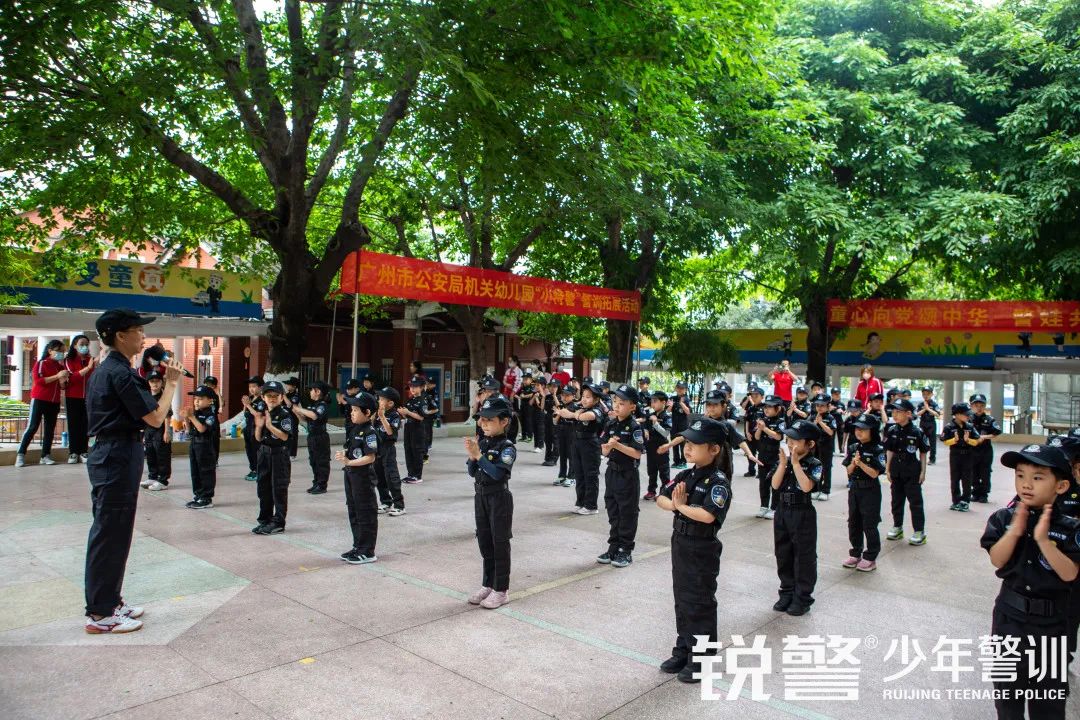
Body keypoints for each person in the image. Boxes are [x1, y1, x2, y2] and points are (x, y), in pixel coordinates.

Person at [84, 308, 183, 633]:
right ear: (120, 335)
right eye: (138, 330)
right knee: (110, 532)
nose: (143, 337)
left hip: (115, 451)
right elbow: (155, 418)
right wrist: (171, 384)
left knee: (115, 530)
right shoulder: (119, 373)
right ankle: (100, 614)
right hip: (116, 453)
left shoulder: (111, 368)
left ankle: (110, 600)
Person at [980, 444, 1079, 720]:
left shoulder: (1070, 528)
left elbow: (1070, 573)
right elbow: (997, 559)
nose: (1026, 484)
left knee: (1047, 705)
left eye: (1037, 477)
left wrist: (1044, 541)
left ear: (1060, 486)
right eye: (1020, 475)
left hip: (1051, 625)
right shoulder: (1003, 519)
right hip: (1008, 622)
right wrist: (1015, 532)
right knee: (1007, 701)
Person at [656, 417, 733, 684]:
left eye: (695, 444)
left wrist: (679, 506)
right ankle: (683, 648)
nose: (688, 449)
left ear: (713, 449)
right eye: (687, 443)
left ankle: (700, 657)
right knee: (683, 597)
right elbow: (661, 498)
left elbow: (708, 516)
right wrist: (677, 505)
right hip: (681, 541)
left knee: (699, 601)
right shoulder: (686, 475)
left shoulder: (718, 481)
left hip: (702, 545)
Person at [464, 395, 517, 609]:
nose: (484, 423)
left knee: (500, 543)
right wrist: (473, 455)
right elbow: (471, 472)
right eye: (482, 419)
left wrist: (480, 456)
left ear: (504, 421)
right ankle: (488, 583)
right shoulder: (483, 443)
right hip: (481, 497)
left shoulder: (507, 447)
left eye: (489, 419)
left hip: (499, 498)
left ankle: (501, 589)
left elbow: (497, 474)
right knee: (485, 541)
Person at [771, 419, 823, 616]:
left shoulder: (814, 463)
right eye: (788, 439)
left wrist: (795, 463)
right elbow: (775, 485)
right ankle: (786, 591)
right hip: (783, 510)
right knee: (783, 552)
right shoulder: (782, 462)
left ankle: (802, 597)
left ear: (809, 444)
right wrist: (784, 464)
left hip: (803, 512)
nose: (790, 444)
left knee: (804, 556)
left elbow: (807, 486)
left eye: (795, 440)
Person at [597, 384, 644, 568]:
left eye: (622, 403)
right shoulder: (610, 424)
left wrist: (617, 446)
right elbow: (604, 449)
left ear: (632, 406)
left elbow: (637, 453)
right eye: (614, 401)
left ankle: (625, 549)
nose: (616, 405)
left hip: (628, 474)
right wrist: (607, 448)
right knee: (613, 509)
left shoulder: (634, 427)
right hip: (612, 473)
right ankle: (613, 546)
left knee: (627, 512)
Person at [336, 391, 381, 565]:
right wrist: (345, 456)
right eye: (352, 409)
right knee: (354, 511)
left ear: (367, 413)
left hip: (363, 478)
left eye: (355, 410)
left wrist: (349, 461)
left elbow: (370, 457)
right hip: (351, 476)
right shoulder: (355, 428)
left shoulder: (369, 432)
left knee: (365, 513)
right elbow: (353, 452)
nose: (352, 413)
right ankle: (358, 546)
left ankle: (367, 551)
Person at [842, 413, 885, 572]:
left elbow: (875, 473)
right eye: (857, 429)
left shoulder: (878, 449)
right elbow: (848, 470)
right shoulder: (854, 447)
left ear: (872, 431)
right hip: (855, 488)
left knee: (869, 524)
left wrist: (860, 463)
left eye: (863, 429)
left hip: (870, 490)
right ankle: (855, 552)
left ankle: (870, 556)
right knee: (854, 522)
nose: (858, 432)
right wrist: (854, 464)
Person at [15, 339, 68, 467]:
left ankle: (45, 455)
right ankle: (20, 454)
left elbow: (62, 386)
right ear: (50, 350)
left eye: (63, 351)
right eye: (59, 351)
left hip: (54, 402)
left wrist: (63, 381)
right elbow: (39, 381)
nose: (61, 353)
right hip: (39, 399)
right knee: (32, 427)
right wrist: (57, 376)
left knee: (50, 430)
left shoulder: (60, 366)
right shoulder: (42, 363)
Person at [883, 399, 929, 546]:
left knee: (915, 502)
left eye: (898, 412)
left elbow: (923, 452)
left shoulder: (917, 432)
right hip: (896, 469)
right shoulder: (891, 430)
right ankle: (897, 527)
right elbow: (889, 450)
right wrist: (887, 468)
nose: (894, 415)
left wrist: (923, 472)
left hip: (912, 470)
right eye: (893, 412)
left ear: (908, 414)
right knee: (896, 501)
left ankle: (919, 531)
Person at [252, 380, 294, 534]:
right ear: (263, 397)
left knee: (279, 489)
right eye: (268, 395)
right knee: (263, 488)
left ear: (282, 397)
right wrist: (259, 426)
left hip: (278, 455)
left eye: (275, 396)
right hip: (264, 453)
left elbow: (284, 437)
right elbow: (257, 438)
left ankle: (278, 521)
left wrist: (270, 426)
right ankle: (265, 519)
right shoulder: (262, 414)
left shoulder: (284, 415)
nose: (272, 398)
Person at [566, 382, 604, 515]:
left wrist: (574, 415)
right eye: (583, 396)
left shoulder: (597, 409)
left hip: (590, 444)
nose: (584, 399)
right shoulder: (581, 408)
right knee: (579, 474)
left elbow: (591, 416)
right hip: (577, 442)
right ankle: (580, 502)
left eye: (588, 397)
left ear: (596, 399)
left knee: (590, 475)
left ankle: (591, 505)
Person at [180, 385, 218, 509]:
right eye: (195, 398)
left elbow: (202, 429)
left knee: (205, 471)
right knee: (195, 471)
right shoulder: (196, 413)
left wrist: (191, 417)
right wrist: (186, 418)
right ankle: (198, 495)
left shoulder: (210, 414)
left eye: (200, 399)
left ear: (210, 400)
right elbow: (189, 431)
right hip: (195, 444)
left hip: (205, 445)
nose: (196, 401)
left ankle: (206, 498)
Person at [293, 380, 332, 494]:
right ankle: (316, 482)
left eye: (311, 390)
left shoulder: (322, 405)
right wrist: (296, 412)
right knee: (313, 461)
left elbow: (315, 416)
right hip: (312, 436)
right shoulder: (314, 405)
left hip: (321, 437)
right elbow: (305, 419)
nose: (310, 392)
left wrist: (300, 409)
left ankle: (322, 485)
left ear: (318, 391)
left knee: (321, 461)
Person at [941, 402, 980, 512]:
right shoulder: (949, 427)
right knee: (955, 478)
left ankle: (965, 501)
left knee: (967, 479)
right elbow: (944, 441)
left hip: (968, 455)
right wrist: (954, 440)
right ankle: (956, 500)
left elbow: (977, 441)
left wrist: (969, 441)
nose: (968, 416)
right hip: (955, 455)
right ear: (957, 414)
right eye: (965, 414)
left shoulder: (970, 427)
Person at [63, 334, 96, 463]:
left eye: (86, 344)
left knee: (85, 424)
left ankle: (83, 451)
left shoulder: (90, 359)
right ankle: (73, 452)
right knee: (73, 424)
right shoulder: (69, 360)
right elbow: (73, 377)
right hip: (72, 396)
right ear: (75, 345)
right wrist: (88, 368)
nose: (84, 347)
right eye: (81, 344)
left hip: (88, 397)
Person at [753, 395, 786, 519]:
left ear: (777, 409)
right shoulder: (762, 420)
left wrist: (765, 428)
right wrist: (760, 428)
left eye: (770, 407)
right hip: (762, 455)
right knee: (763, 482)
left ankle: (774, 507)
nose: (766, 410)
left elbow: (778, 436)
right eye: (766, 407)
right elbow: (756, 437)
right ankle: (763, 506)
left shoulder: (780, 421)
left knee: (775, 482)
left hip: (775, 457)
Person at [375, 386, 405, 516]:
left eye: (381, 399)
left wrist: (382, 417)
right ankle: (386, 502)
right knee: (379, 476)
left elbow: (390, 431)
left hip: (388, 449)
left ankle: (399, 505)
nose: (379, 401)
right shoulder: (377, 413)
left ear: (390, 403)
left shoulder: (394, 415)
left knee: (391, 476)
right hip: (377, 448)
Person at [140, 371, 172, 491]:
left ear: (161, 382)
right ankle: (152, 476)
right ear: (148, 383)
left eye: (157, 381)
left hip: (161, 430)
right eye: (152, 381)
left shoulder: (164, 397)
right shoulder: (146, 396)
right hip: (149, 429)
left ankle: (163, 480)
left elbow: (168, 414)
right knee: (150, 453)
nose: (155, 384)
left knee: (162, 454)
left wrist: (167, 431)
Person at [970, 393, 1002, 503]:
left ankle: (984, 494)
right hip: (972, 450)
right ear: (972, 406)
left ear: (985, 406)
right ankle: (975, 492)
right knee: (973, 472)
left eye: (981, 405)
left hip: (985, 450)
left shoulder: (989, 420)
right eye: (976, 405)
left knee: (985, 472)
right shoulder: (968, 420)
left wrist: (984, 437)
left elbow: (997, 432)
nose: (979, 408)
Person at [642, 390, 672, 501]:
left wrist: (655, 423)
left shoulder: (667, 417)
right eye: (651, 401)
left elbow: (665, 433)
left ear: (663, 402)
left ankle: (665, 492)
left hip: (662, 448)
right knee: (651, 471)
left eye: (655, 401)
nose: (652, 404)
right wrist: (645, 430)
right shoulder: (651, 414)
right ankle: (651, 491)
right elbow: (645, 425)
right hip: (651, 447)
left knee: (664, 472)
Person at [400, 376, 429, 485]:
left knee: (416, 451)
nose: (412, 389)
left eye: (415, 386)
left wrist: (408, 413)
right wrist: (403, 413)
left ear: (421, 387)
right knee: (408, 450)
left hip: (418, 429)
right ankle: (410, 474)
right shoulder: (411, 400)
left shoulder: (423, 400)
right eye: (411, 386)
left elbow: (421, 417)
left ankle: (417, 475)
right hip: (409, 427)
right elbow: (408, 415)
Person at [809, 394, 836, 501]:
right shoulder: (812, 417)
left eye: (822, 405)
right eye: (817, 405)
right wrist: (814, 423)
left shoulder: (830, 418)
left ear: (828, 406)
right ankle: (816, 489)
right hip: (815, 446)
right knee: (816, 467)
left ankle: (825, 490)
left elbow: (830, 432)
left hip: (826, 447)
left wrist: (821, 423)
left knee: (826, 468)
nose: (819, 407)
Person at [240, 376, 265, 481]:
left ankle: (259, 470)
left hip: (257, 429)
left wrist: (248, 405)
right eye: (250, 386)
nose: (251, 389)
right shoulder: (251, 398)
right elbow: (245, 412)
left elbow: (258, 415)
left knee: (256, 450)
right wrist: (245, 405)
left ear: (260, 387)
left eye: (254, 386)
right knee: (249, 450)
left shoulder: (262, 400)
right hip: (248, 428)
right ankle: (253, 469)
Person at [553, 383, 577, 487]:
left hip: (571, 433)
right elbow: (554, 421)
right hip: (561, 432)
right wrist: (559, 413)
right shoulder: (560, 406)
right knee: (562, 454)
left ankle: (572, 477)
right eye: (563, 395)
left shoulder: (575, 406)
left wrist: (562, 412)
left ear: (573, 396)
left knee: (571, 455)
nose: (565, 397)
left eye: (567, 395)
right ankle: (562, 475)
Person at [742, 385, 764, 477]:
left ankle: (761, 471)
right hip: (750, 434)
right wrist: (747, 432)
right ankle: (751, 470)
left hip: (761, 435)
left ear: (762, 397)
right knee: (750, 452)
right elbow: (747, 420)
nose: (754, 398)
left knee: (762, 453)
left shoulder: (765, 408)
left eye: (756, 396)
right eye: (752, 396)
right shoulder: (750, 408)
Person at [915, 385, 941, 464]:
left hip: (931, 424)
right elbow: (917, 414)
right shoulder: (920, 404)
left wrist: (928, 409)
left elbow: (937, 414)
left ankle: (932, 459)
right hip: (923, 423)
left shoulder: (934, 404)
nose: (926, 396)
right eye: (924, 394)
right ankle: (921, 458)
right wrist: (924, 409)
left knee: (932, 442)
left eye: (928, 394)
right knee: (921, 441)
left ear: (932, 394)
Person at [669, 381, 691, 469]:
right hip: (674, 424)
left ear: (685, 390)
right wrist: (670, 405)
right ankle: (676, 461)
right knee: (674, 443)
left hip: (683, 425)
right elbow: (668, 411)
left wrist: (682, 403)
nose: (679, 390)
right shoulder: (672, 398)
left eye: (682, 388)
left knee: (683, 444)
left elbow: (688, 412)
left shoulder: (687, 399)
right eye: (678, 388)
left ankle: (683, 461)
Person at [202, 375, 222, 464]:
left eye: (211, 385)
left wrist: (218, 393)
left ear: (214, 386)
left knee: (214, 441)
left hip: (214, 421)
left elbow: (221, 407)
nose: (208, 386)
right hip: (203, 420)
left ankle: (215, 460)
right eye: (207, 384)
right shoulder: (202, 395)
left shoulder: (216, 396)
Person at [283, 377, 302, 460]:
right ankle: (285, 451)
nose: (286, 386)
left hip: (293, 418)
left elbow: (290, 405)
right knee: (285, 435)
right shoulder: (287, 395)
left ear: (294, 386)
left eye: (288, 384)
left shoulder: (296, 395)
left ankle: (292, 454)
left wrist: (283, 395)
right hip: (285, 418)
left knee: (293, 436)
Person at [541, 378, 559, 467]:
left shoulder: (560, 396)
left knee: (555, 439)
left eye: (555, 387)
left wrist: (555, 395)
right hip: (547, 417)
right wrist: (544, 396)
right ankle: (547, 457)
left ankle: (554, 459)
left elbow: (559, 407)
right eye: (551, 386)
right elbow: (542, 408)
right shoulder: (547, 396)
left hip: (556, 418)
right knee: (547, 439)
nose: (552, 388)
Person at [423, 375, 439, 462]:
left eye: (429, 384)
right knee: (425, 430)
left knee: (428, 430)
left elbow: (435, 406)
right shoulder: (425, 392)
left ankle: (429, 444)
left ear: (434, 385)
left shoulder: (433, 392)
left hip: (431, 414)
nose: (428, 385)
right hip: (424, 415)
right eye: (427, 383)